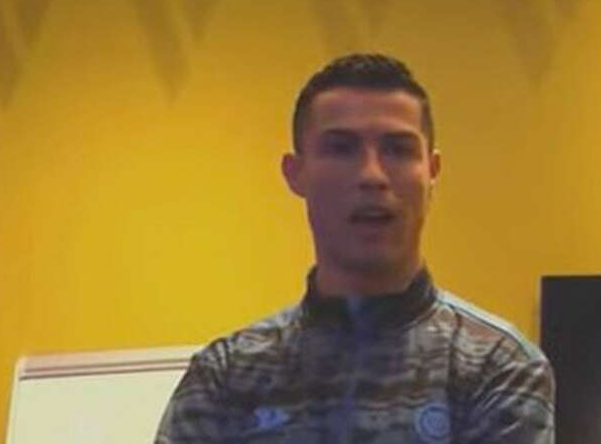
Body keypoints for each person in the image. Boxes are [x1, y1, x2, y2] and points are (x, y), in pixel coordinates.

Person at [155, 54, 555, 444]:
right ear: (296, 174)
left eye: (398, 149)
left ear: (431, 172)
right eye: (342, 148)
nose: (372, 175)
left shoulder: (497, 367)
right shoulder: (228, 374)